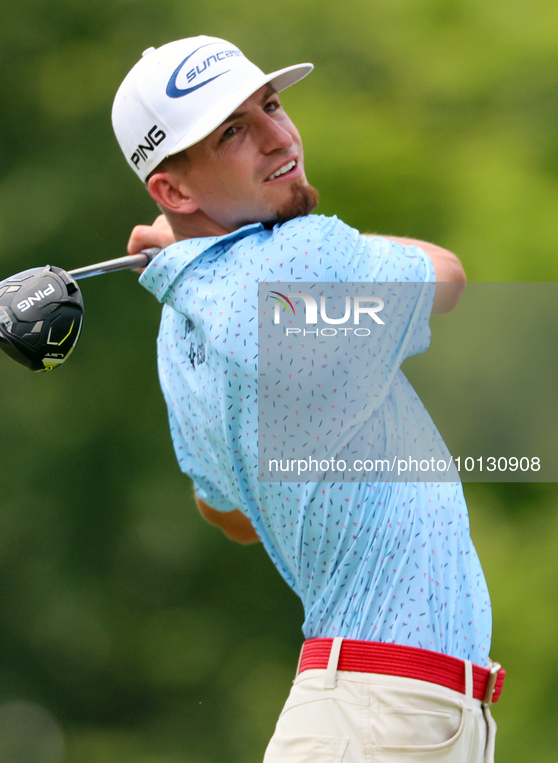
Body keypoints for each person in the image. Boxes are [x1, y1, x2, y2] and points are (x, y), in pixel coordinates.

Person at [112, 35, 505, 762]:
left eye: (270, 104)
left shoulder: (180, 329)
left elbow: (229, 515)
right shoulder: (304, 254)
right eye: (232, 131)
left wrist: (193, 253)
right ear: (172, 191)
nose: (276, 136)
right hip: (385, 713)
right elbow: (447, 276)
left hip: (371, 709)